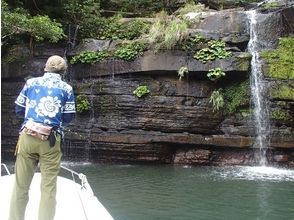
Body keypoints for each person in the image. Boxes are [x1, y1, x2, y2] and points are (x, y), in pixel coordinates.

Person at [9, 55, 76, 220]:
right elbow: (68, 117)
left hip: (28, 136)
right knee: (48, 188)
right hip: (51, 140)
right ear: (63, 71)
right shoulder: (66, 88)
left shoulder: (31, 83)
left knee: (20, 186)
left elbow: (18, 108)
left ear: (45, 67)